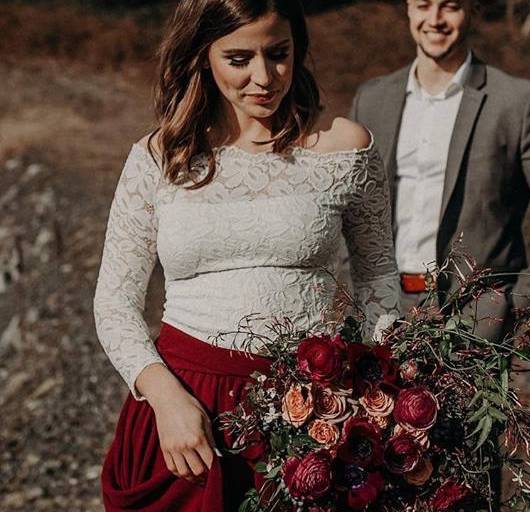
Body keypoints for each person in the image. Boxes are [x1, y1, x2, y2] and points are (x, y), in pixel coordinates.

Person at [93, 1, 399, 510]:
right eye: (238, 59)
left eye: (278, 54)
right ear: (203, 56)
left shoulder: (345, 148)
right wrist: (166, 400)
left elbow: (379, 281)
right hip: (187, 414)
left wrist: (374, 394)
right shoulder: (156, 159)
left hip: (312, 414)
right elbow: (115, 302)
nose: (264, 76)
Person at [350, 0, 530, 342]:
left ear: (472, 9)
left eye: (449, 6)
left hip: (475, 320)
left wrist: (519, 305)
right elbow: (352, 208)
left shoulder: (518, 102)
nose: (434, 19)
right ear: (408, 8)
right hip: (382, 311)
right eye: (423, 5)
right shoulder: (372, 99)